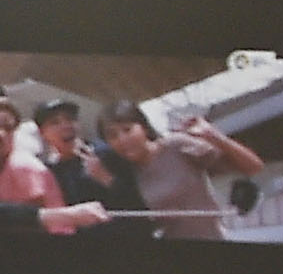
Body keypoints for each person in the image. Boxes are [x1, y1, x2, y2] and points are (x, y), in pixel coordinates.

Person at [95, 100, 265, 237]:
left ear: (144, 127)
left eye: (127, 130)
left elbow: (253, 167)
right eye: (113, 136)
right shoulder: (125, 175)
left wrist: (214, 136)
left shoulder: (176, 146)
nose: (123, 139)